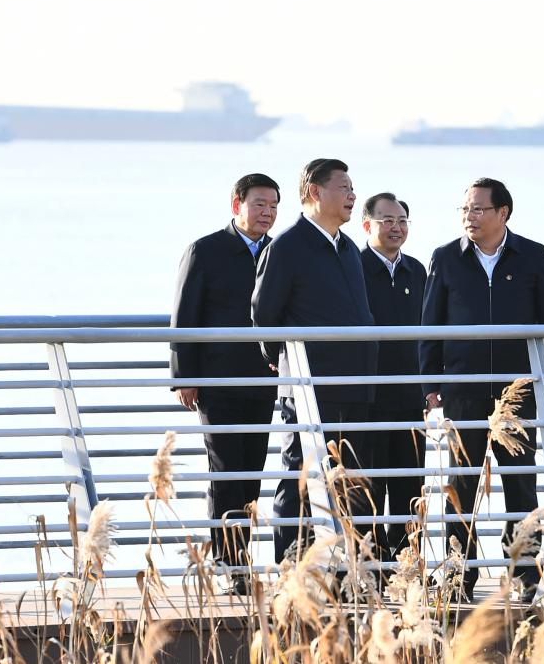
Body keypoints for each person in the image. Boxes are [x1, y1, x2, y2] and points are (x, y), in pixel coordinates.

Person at [420, 177, 544, 600]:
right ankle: (458, 577)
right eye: (465, 209)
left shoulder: (533, 255)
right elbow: (430, 322)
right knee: (461, 485)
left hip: (517, 390)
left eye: (478, 209)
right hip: (462, 388)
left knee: (520, 483)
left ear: (503, 213)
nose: (469, 216)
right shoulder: (446, 257)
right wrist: (430, 382)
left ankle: (524, 576)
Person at [251, 158, 379, 563]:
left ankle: (346, 569)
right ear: (314, 192)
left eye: (353, 188)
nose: (352, 196)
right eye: (344, 188)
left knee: (350, 477)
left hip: (355, 382)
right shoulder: (287, 247)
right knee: (300, 474)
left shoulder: (348, 248)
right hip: (309, 385)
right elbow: (264, 315)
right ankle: (292, 565)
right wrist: (283, 360)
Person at [170, 173, 280, 593]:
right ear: (237, 205)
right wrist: (185, 377)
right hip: (217, 382)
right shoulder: (206, 250)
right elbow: (184, 316)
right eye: (259, 204)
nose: (267, 212)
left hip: (264, 380)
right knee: (225, 472)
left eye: (273, 206)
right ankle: (229, 565)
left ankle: (241, 558)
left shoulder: (278, 251)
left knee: (251, 474)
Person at [359, 192, 427, 559]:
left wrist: (430, 384)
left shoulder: (416, 270)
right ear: (367, 224)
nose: (396, 227)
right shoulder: (353, 266)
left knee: (410, 485)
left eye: (402, 220)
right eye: (387, 220)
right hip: (367, 396)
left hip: (410, 395)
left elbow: (430, 330)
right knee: (369, 485)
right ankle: (372, 564)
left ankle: (406, 563)